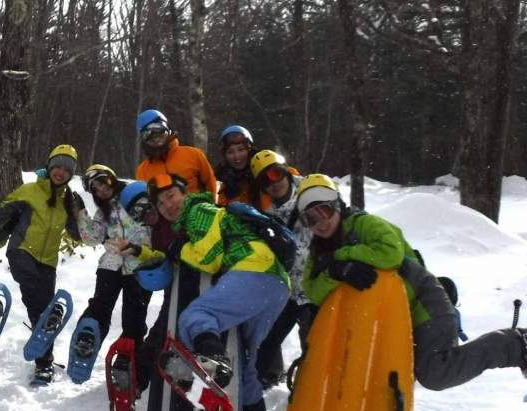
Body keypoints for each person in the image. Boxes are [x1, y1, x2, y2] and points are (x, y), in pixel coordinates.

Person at [298, 174, 527, 391]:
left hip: (425, 302)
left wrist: (343, 257)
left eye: (324, 211)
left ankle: (516, 344)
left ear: (337, 205)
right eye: (311, 218)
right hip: (390, 319)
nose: (320, 223)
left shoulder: (365, 225)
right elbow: (312, 290)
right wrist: (335, 273)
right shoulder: (318, 250)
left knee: (435, 372)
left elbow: (391, 253)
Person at [117, 180, 290, 411]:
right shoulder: (183, 225)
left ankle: (214, 367)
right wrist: (143, 252)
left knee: (196, 318)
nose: (168, 205)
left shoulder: (202, 211)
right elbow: (177, 258)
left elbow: (208, 257)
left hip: (254, 271)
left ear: (186, 195)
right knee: (245, 362)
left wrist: (177, 249)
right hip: (274, 284)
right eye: (161, 203)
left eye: (172, 196)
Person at [0, 144, 83, 384]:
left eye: (66, 169)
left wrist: (78, 212)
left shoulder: (69, 200)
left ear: (71, 174)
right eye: (57, 166)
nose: (60, 172)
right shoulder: (30, 190)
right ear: (49, 167)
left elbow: (80, 234)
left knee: (41, 312)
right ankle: (50, 328)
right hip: (21, 251)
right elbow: (3, 212)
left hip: (47, 261)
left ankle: (44, 364)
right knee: (35, 297)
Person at [249, 150, 315, 387]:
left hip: (315, 288)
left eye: (276, 174)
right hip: (286, 292)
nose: (274, 183)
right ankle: (266, 380)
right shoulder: (266, 215)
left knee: (316, 347)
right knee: (266, 342)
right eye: (265, 180)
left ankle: (311, 389)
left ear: (286, 171)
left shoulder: (311, 193)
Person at [71, 165, 152, 357]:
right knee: (100, 305)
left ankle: (129, 356)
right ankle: (87, 339)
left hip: (139, 264)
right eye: (95, 190)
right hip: (111, 263)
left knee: (134, 316)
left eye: (102, 183)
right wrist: (81, 213)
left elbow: (154, 226)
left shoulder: (137, 195)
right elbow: (93, 238)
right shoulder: (103, 210)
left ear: (111, 177)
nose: (101, 190)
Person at [135, 108, 216, 195]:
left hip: (198, 207)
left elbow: (211, 184)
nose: (157, 141)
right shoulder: (143, 171)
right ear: (144, 141)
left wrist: (209, 206)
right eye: (151, 138)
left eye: (160, 134)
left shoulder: (193, 155)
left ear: (168, 131)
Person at [215, 125, 268, 209]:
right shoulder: (220, 179)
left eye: (241, 149)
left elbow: (289, 176)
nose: (237, 156)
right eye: (230, 152)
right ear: (225, 156)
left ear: (249, 149)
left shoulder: (264, 168)